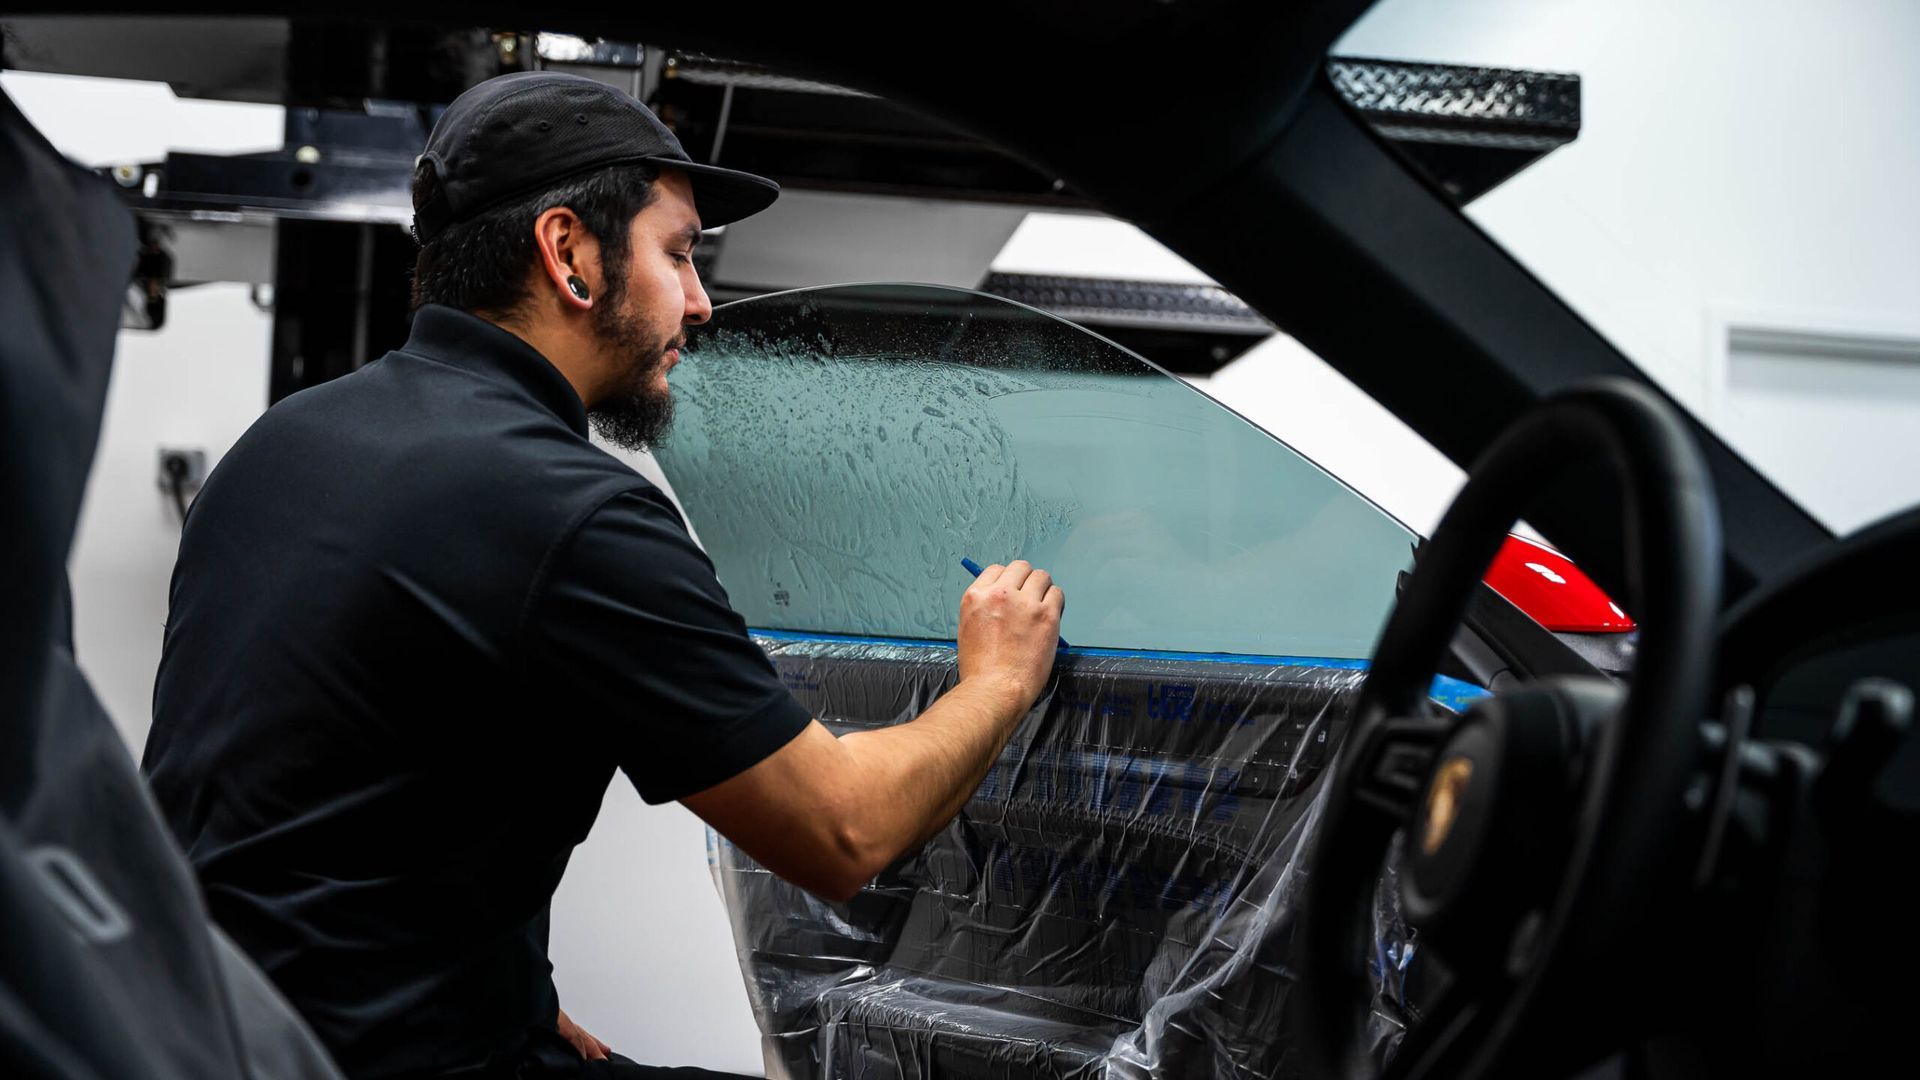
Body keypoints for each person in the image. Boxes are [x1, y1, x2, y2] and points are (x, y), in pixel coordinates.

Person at [141, 71, 1064, 1080]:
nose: (702, 303)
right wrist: (999, 680)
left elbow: (294, 817)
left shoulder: (279, 445)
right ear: (570, 254)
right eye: (679, 254)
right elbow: (842, 830)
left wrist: (493, 992)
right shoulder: (567, 511)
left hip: (197, 1035)